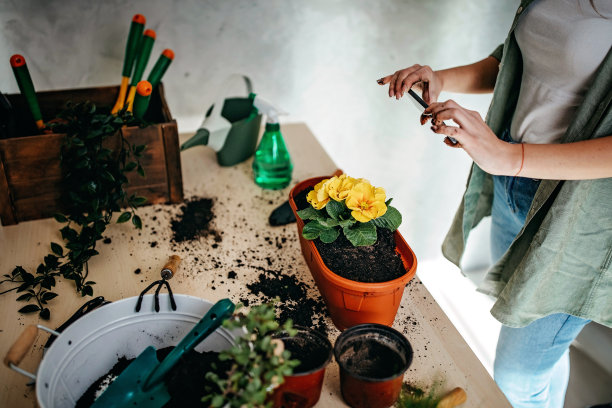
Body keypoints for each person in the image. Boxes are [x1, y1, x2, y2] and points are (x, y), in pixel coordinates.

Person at [378, 1, 612, 407]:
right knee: (542, 358)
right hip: (513, 185)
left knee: (517, 379)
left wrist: (509, 156)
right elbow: (518, 58)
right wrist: (440, 78)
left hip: (576, 220)